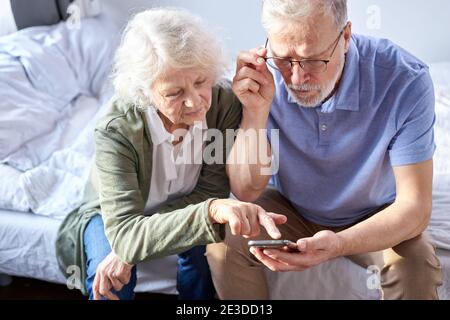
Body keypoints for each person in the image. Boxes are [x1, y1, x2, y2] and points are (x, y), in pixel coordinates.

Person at [206, 0, 443, 299]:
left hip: (377, 212)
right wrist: (255, 112)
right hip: (290, 207)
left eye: (313, 60)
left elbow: (416, 208)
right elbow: (246, 191)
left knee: (416, 267)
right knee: (224, 238)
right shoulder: (259, 76)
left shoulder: (404, 79)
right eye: (283, 59)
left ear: (345, 37)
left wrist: (340, 242)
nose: (296, 78)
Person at [56, 8, 286, 300]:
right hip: (113, 215)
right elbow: (125, 233)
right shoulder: (117, 129)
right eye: (174, 93)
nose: (194, 102)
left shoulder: (222, 103)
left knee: (205, 263)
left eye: (201, 81)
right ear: (145, 91)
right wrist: (128, 246)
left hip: (188, 202)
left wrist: (143, 239)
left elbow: (210, 191)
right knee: (111, 280)